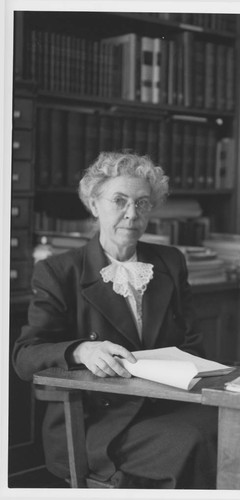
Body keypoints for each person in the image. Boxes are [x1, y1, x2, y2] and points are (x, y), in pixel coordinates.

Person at [12, 151, 218, 489]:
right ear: (94, 205)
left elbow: (194, 343)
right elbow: (24, 356)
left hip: (169, 403)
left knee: (236, 427)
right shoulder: (59, 271)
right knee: (196, 441)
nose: (131, 214)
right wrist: (81, 352)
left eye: (142, 203)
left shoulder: (170, 262)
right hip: (98, 421)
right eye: (119, 201)